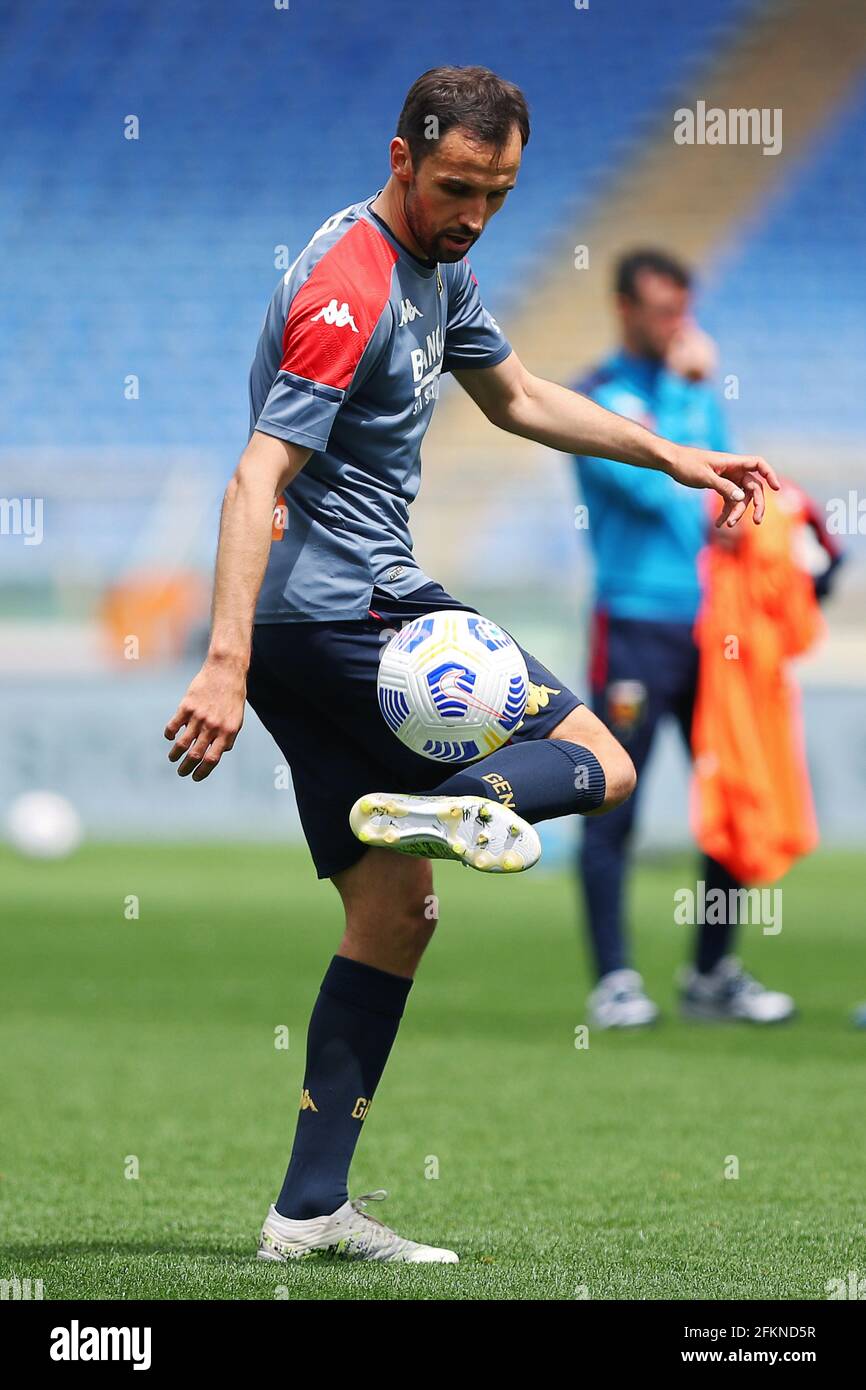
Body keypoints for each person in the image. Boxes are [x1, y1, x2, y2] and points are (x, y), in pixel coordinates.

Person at [164, 72, 775, 1264]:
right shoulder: (348, 285)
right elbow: (254, 477)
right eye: (454, 187)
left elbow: (518, 395)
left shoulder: (437, 265)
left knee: (392, 911)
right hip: (351, 618)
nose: (473, 212)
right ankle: (459, 806)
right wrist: (219, 663)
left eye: (495, 193)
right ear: (402, 155)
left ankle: (307, 1210)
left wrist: (669, 454)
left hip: (309, 639)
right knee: (595, 760)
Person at [573, 249, 795, 1029]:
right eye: (662, 311)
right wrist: (691, 388)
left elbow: (724, 489)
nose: (676, 326)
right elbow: (662, 481)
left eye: (682, 310)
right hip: (634, 625)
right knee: (611, 797)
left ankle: (710, 973)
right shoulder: (598, 396)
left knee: (729, 793)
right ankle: (616, 980)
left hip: (714, 628)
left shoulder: (679, 394)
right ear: (624, 308)